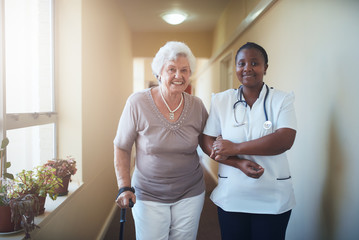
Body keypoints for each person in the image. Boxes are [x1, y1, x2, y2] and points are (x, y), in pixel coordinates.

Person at [200, 42, 297, 240]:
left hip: (273, 198)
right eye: (241, 63)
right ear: (235, 68)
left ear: (265, 67)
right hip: (232, 196)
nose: (247, 68)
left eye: (255, 63)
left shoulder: (282, 100)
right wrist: (237, 162)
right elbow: (206, 140)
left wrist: (235, 147)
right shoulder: (222, 100)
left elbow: (285, 139)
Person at [113, 41, 208, 240]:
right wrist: (124, 185)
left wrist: (232, 152)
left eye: (184, 70)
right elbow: (122, 146)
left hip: (190, 191)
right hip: (148, 193)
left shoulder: (197, 106)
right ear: (159, 73)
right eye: (171, 69)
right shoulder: (137, 103)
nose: (178, 76)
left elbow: (207, 141)